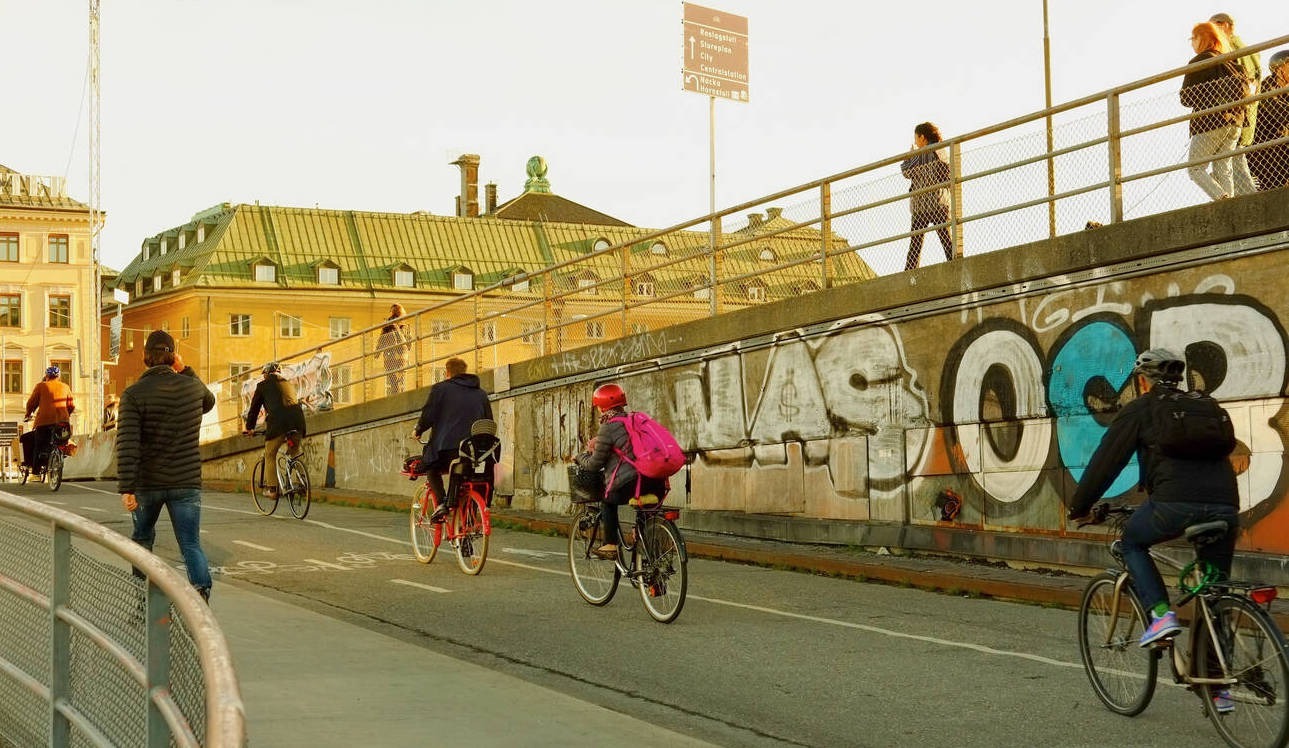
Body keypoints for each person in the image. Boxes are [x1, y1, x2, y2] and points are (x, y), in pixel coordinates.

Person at [1066, 349, 1238, 656]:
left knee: (1131, 542)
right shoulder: (1207, 407)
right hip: (1226, 507)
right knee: (1214, 594)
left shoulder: (1142, 408)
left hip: (1173, 505)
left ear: (1143, 382)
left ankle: (1160, 615)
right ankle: (1217, 688)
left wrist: (1079, 507)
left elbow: (1106, 462)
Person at [117, 330, 217, 602]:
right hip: (186, 482)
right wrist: (184, 369)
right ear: (173, 357)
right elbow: (209, 401)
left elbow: (127, 443)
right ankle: (200, 594)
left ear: (144, 357)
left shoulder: (133, 394)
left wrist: (126, 487)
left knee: (142, 540)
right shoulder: (192, 388)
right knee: (190, 543)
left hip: (147, 484)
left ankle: (143, 597)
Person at [575, 383, 668, 560]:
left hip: (632, 484)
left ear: (602, 407)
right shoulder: (637, 421)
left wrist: (581, 457)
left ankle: (610, 545)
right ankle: (652, 574)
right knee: (645, 515)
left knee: (607, 501)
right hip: (656, 481)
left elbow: (595, 464)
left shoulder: (608, 427)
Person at [412, 357, 492, 521]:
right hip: (476, 452)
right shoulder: (481, 393)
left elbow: (429, 414)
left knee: (430, 465)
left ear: (447, 373)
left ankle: (441, 503)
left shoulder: (440, 389)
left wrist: (418, 430)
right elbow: (488, 422)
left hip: (448, 450)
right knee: (469, 479)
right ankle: (467, 530)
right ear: (465, 371)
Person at [1181, 22, 1250, 201]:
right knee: (1223, 167)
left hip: (1209, 122)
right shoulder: (1232, 63)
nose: (1191, 42)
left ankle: (1222, 199)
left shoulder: (1198, 62)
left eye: (1193, 38)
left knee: (1195, 168)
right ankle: (1229, 205)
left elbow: (1186, 99)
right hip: (1235, 122)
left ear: (1203, 38)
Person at [1210, 12, 1261, 194]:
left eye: (1213, 26)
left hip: (1234, 117)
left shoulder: (1229, 49)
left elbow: (1243, 83)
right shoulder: (1246, 50)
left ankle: (1252, 206)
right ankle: (1230, 199)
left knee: (1233, 164)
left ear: (1225, 25)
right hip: (1242, 116)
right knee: (1230, 164)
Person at [242, 361, 307, 500]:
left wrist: (249, 428)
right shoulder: (288, 383)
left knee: (270, 454)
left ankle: (272, 489)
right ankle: (303, 482)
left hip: (278, 423)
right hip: (298, 421)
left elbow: (254, 409)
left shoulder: (263, 386)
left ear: (266, 374)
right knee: (294, 452)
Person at [900, 122, 954, 270]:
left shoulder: (922, 153)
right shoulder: (942, 150)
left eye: (916, 138)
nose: (916, 142)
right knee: (946, 240)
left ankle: (910, 272)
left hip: (922, 204)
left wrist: (909, 156)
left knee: (915, 244)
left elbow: (906, 171)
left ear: (922, 137)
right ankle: (955, 265)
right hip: (940, 201)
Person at [20, 365, 75, 474]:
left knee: (38, 445)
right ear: (58, 376)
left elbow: (32, 403)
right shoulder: (65, 387)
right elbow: (71, 405)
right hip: (63, 423)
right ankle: (59, 457)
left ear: (47, 376)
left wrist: (28, 414)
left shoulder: (41, 386)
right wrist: (65, 415)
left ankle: (35, 473)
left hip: (44, 423)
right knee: (61, 442)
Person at [1249, 50, 1289, 191]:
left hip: (1281, 148)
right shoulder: (1267, 88)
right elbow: (1280, 113)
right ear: (1279, 69)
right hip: (1264, 151)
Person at [378, 303, 410, 395]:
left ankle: (395, 394)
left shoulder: (388, 324)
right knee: (398, 378)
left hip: (391, 353)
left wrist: (378, 351)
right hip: (400, 354)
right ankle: (397, 394)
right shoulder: (405, 325)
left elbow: (382, 338)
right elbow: (409, 342)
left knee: (393, 378)